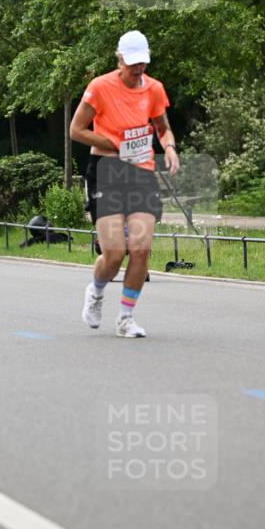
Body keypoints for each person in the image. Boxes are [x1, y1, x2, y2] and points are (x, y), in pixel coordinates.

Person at [69, 30, 179, 338]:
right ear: (119, 59)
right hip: (106, 169)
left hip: (141, 172)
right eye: (132, 63)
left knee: (141, 249)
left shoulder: (154, 89)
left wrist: (169, 148)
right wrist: (114, 144)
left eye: (142, 63)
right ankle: (96, 290)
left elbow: (162, 128)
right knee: (114, 253)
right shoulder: (100, 87)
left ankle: (126, 318)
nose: (137, 69)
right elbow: (76, 130)